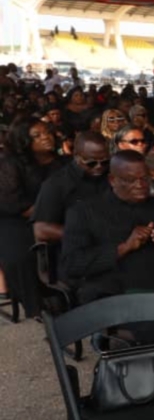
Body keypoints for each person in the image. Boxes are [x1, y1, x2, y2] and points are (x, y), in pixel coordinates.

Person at [60, 151, 154, 304]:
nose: (140, 185)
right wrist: (124, 247)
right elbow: (72, 265)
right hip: (119, 294)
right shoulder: (84, 212)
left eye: (145, 178)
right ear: (112, 180)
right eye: (130, 180)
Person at [0, 120, 66, 315]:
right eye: (37, 135)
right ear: (24, 141)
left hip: (57, 215)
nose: (46, 137)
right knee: (23, 254)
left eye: (47, 132)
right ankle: (38, 305)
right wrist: (49, 215)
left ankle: (67, 293)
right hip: (17, 217)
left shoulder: (62, 161)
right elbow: (14, 202)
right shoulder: (10, 164)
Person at [32, 131, 111, 245]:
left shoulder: (113, 175)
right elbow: (41, 229)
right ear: (76, 156)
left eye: (104, 162)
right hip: (76, 249)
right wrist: (86, 235)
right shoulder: (56, 184)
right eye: (91, 163)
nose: (99, 167)